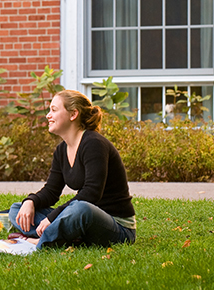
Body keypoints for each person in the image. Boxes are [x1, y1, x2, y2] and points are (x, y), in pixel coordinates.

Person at [8, 90, 136, 249]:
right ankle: (64, 236)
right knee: (17, 210)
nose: (48, 115)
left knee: (81, 208)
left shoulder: (93, 144)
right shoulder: (61, 151)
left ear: (73, 114)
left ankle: (38, 241)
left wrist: (52, 218)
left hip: (116, 226)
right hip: (83, 221)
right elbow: (51, 191)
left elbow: (91, 193)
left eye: (54, 110)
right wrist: (30, 201)